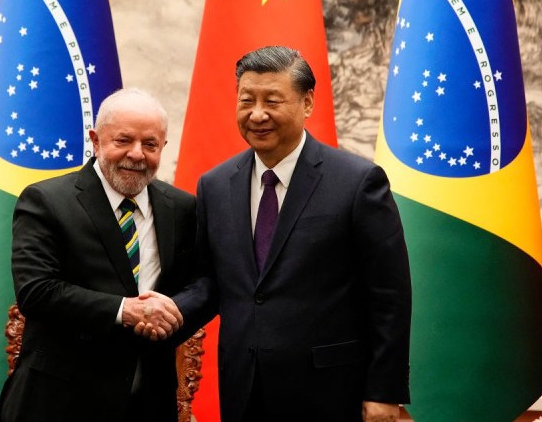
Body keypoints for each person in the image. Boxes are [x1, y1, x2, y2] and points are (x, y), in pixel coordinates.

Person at [171, 46, 412, 422]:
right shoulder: (215, 185)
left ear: (307, 102)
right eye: (246, 101)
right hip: (243, 389)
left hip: (329, 392)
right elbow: (209, 283)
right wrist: (161, 312)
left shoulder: (357, 182)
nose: (257, 114)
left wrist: (384, 391)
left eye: (272, 101)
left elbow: (389, 295)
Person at [0, 88, 196, 422]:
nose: (137, 154)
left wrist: (171, 317)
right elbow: (36, 291)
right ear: (95, 140)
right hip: (59, 402)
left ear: (163, 147)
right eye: (123, 140)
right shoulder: (47, 201)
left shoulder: (183, 208)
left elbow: (200, 285)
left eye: (150, 144)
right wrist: (125, 310)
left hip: (148, 402)